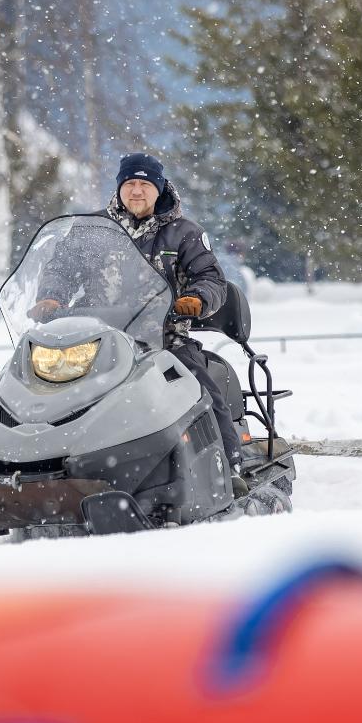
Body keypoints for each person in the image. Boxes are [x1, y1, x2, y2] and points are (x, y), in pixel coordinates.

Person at [30, 153, 247, 497]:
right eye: (129, 183)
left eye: (144, 184)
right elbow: (61, 267)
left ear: (158, 190)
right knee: (49, 389)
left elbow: (210, 277)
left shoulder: (183, 233)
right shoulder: (92, 228)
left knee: (201, 389)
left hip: (163, 336)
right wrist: (52, 297)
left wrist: (197, 299)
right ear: (119, 188)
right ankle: (37, 463)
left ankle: (231, 465)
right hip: (96, 338)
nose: (136, 191)